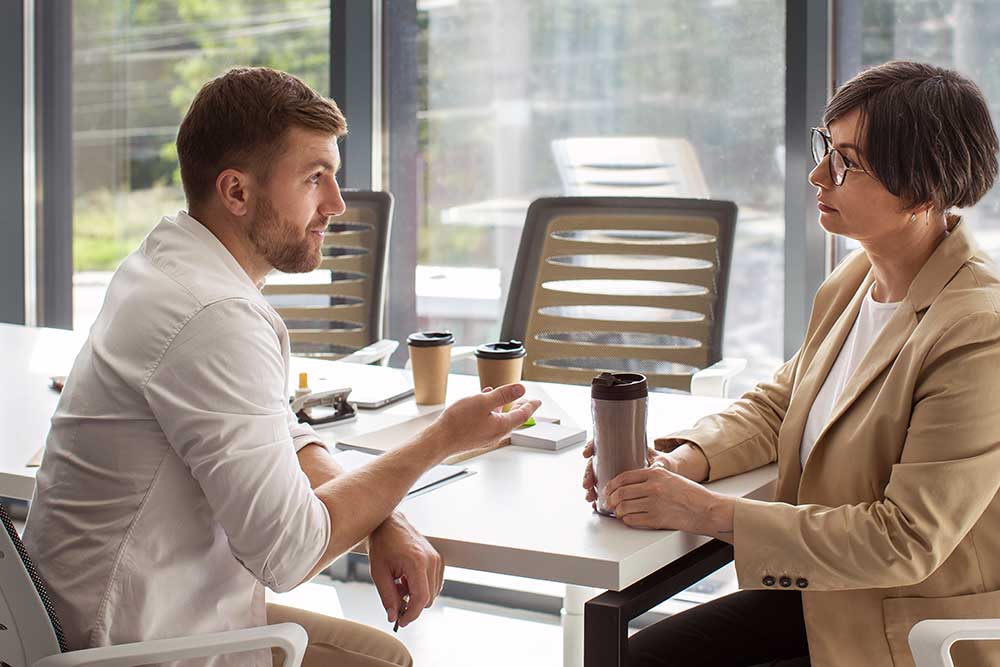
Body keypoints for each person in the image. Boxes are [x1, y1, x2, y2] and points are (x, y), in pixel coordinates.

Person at [23, 67, 540, 667]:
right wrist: (440, 441)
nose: (337, 205)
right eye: (314, 179)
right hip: (130, 647)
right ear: (237, 192)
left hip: (92, 620)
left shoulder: (171, 265)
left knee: (384, 656)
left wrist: (385, 517)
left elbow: (282, 433)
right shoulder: (213, 314)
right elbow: (289, 555)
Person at [583, 60, 1000, 666]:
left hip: (900, 623)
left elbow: (905, 539)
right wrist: (679, 460)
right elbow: (779, 404)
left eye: (847, 163)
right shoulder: (856, 280)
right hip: (825, 595)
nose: (817, 175)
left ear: (923, 192)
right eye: (826, 149)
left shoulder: (978, 331)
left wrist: (703, 511)